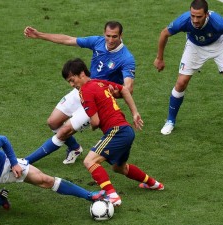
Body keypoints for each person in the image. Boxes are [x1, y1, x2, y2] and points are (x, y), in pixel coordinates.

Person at [23, 21, 136, 165]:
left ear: (121, 35)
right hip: (82, 89)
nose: (111, 40)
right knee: (53, 122)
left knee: (64, 131)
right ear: (104, 33)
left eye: (114, 37)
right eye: (108, 36)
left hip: (97, 100)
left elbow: (128, 88)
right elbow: (68, 39)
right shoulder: (98, 42)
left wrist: (115, 93)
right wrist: (39, 35)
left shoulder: (126, 58)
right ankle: (74, 148)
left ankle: (26, 161)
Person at [62, 58, 164, 207]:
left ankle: (113, 196)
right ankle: (154, 184)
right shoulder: (99, 82)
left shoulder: (85, 91)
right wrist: (135, 113)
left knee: (89, 161)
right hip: (127, 130)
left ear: (82, 74)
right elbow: (123, 90)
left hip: (117, 131)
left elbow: (95, 122)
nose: (72, 85)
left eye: (72, 80)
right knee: (119, 167)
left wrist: (89, 125)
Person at [154, 0, 223, 137]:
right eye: (192, 16)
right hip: (195, 46)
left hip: (220, 45)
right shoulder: (183, 21)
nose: (195, 20)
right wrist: (159, 58)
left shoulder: (218, 22)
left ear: (206, 14)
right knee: (181, 83)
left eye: (199, 16)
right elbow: (164, 33)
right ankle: (170, 120)